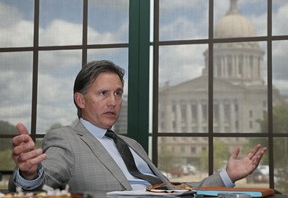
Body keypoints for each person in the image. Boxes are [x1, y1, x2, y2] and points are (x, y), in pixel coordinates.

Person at [9, 60, 267, 192]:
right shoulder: (66, 139)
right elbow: (47, 177)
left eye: (118, 94)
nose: (113, 102)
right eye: (103, 94)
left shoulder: (132, 145)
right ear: (80, 99)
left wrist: (228, 176)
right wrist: (30, 174)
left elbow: (173, 192)